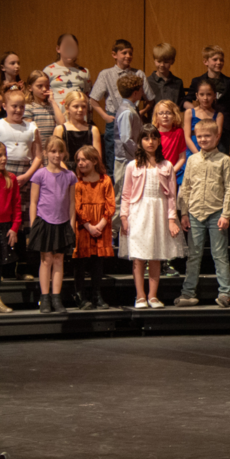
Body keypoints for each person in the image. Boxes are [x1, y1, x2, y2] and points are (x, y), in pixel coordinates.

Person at [120, 126, 183, 307]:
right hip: (138, 212)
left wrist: (171, 219)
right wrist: (124, 217)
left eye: (154, 138)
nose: (150, 142)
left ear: (158, 141)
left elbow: (171, 194)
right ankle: (140, 296)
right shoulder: (132, 166)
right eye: (146, 138)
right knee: (139, 256)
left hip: (159, 212)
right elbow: (126, 194)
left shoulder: (167, 165)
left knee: (156, 255)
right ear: (140, 141)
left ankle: (153, 296)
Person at [176, 120, 230, 309]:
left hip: (216, 212)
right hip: (194, 213)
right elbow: (185, 187)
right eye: (199, 136)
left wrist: (226, 214)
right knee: (193, 255)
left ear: (216, 136)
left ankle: (225, 292)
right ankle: (188, 293)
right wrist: (183, 212)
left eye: (207, 136)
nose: (203, 139)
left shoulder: (224, 160)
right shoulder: (192, 160)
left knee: (219, 254)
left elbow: (229, 189)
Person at [90, 39, 153, 176]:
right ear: (114, 54)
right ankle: (115, 189)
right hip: (113, 118)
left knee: (134, 153)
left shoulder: (138, 74)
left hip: (133, 115)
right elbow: (93, 99)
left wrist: (141, 112)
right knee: (113, 156)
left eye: (130, 53)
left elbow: (150, 100)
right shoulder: (106, 74)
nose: (128, 56)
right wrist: (105, 116)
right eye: (124, 53)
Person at [28, 138, 77, 313]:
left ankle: (57, 298)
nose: (57, 155)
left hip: (63, 222)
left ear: (64, 153)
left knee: (58, 259)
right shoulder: (40, 174)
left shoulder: (70, 176)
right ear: (46, 153)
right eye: (53, 151)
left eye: (60, 151)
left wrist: (71, 225)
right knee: (46, 259)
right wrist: (34, 225)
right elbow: (33, 202)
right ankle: (45, 297)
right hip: (44, 221)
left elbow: (72, 203)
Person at [0, 89, 41, 280]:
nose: (18, 110)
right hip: (4, 175)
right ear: (4, 106)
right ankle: (6, 267)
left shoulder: (31, 127)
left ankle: (22, 266)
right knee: (6, 221)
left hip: (25, 175)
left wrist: (27, 175)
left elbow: (38, 155)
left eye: (22, 106)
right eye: (14, 106)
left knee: (22, 222)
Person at [71, 145, 115, 310]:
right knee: (80, 261)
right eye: (79, 160)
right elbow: (76, 205)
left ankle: (97, 294)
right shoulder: (78, 182)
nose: (80, 163)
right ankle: (80, 295)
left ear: (95, 160)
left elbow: (110, 204)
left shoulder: (105, 180)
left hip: (101, 226)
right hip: (84, 226)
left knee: (97, 262)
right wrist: (89, 226)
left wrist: (101, 224)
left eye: (84, 159)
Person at [182, 45, 230, 155]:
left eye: (221, 60)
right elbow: (185, 101)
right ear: (206, 62)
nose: (219, 62)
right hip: (201, 127)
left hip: (222, 129)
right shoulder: (197, 81)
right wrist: (195, 110)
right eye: (215, 59)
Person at [112, 74, 144, 240]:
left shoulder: (130, 109)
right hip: (125, 161)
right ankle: (113, 235)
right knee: (120, 198)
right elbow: (126, 139)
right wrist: (140, 154)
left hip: (129, 160)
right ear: (137, 92)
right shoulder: (127, 112)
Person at [43, 33, 91, 109]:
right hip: (56, 115)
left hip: (78, 114)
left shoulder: (84, 72)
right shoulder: (49, 70)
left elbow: (87, 98)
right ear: (58, 49)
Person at [0, 142, 20, 313]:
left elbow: (16, 206)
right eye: (0, 155)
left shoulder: (11, 178)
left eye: (4, 154)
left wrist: (14, 227)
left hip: (5, 227)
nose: (4, 158)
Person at [183, 77, 224, 159]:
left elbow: (217, 137)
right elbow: (186, 137)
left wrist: (206, 155)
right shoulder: (189, 113)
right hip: (192, 152)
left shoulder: (219, 115)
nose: (205, 98)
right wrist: (198, 155)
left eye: (209, 94)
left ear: (214, 96)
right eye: (202, 94)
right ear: (197, 95)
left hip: (210, 153)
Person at [23, 70, 63, 149]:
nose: (44, 89)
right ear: (30, 88)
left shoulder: (52, 106)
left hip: (50, 149)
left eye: (47, 86)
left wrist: (52, 101)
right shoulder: (29, 107)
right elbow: (29, 132)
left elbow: (62, 123)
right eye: (40, 86)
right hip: (36, 149)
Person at [152, 100, 187, 187]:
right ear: (156, 116)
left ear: (174, 115)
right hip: (154, 174)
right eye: (161, 113)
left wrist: (172, 171)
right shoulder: (152, 133)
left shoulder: (179, 132)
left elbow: (182, 157)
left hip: (171, 175)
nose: (165, 116)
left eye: (168, 113)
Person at [147, 42, 185, 113]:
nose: (162, 65)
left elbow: (181, 105)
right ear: (154, 60)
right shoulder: (147, 81)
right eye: (159, 61)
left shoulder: (178, 82)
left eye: (166, 62)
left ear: (172, 61)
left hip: (173, 122)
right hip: (153, 122)